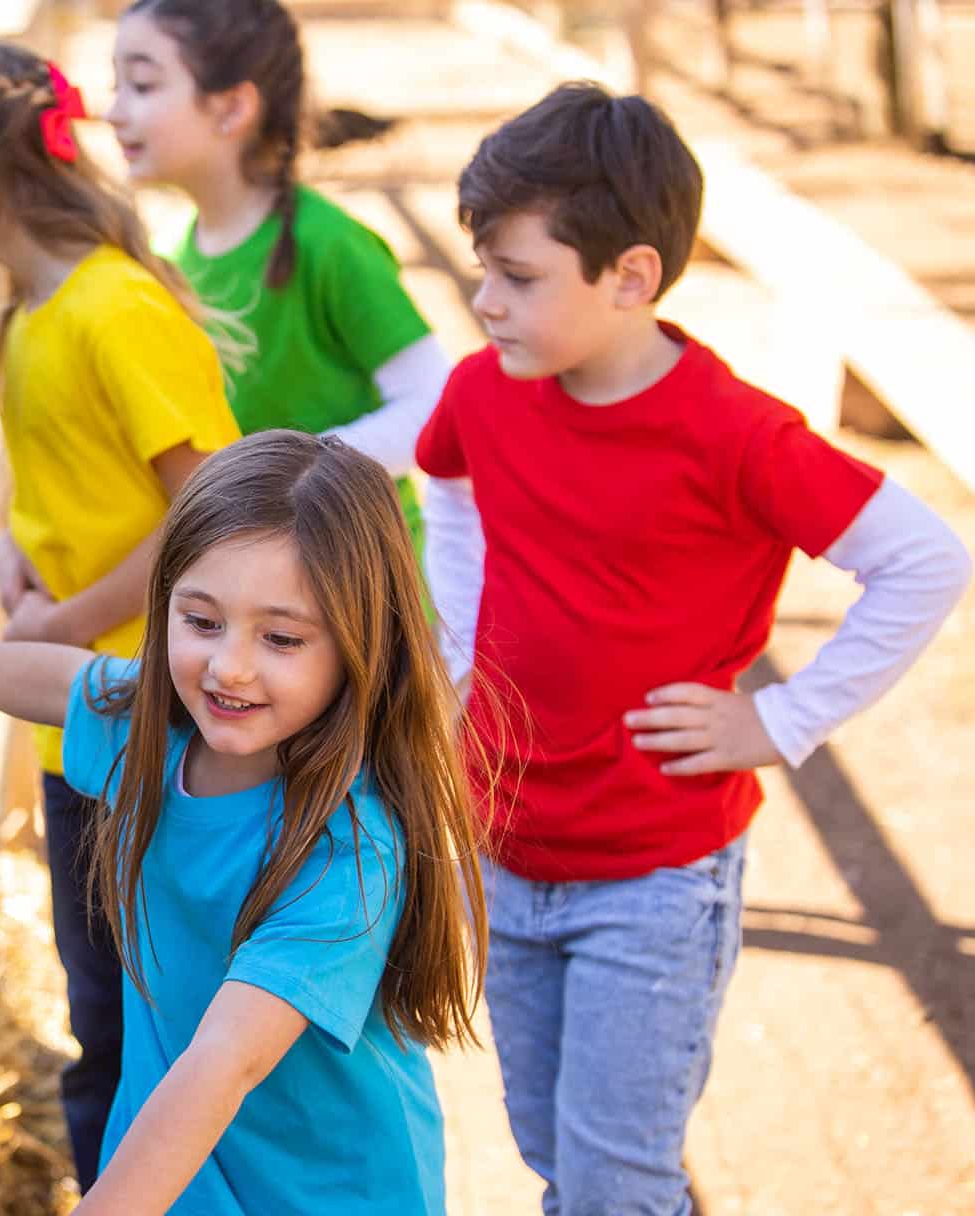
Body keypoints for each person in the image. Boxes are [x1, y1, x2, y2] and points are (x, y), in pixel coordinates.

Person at [416, 82, 972, 1215]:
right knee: (552, 1153)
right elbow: (446, 490)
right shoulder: (485, 394)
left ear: (630, 278)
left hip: (658, 874)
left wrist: (779, 718)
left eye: (517, 277)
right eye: (483, 269)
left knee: (617, 1181)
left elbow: (925, 559)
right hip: (506, 848)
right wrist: (458, 644)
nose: (482, 302)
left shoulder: (738, 433)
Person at [0, 430, 489, 1214]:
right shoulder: (156, 727)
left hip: (325, 1195)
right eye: (201, 621)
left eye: (281, 638)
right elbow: (65, 683)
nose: (229, 665)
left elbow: (224, 1063)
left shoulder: (347, 853)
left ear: (362, 642)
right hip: (178, 1178)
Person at [0, 38, 241, 1186]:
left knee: (151, 1029)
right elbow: (66, 483)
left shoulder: (112, 310)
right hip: (84, 728)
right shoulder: (27, 316)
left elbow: (213, 514)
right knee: (103, 1023)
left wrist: (65, 614)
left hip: (172, 727)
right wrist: (20, 557)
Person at [107, 0, 451, 554]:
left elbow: (433, 404)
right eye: (114, 85)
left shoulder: (330, 244)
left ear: (232, 107)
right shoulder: (168, 254)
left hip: (362, 575)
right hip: (254, 580)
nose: (113, 112)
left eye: (142, 86)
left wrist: (287, 474)